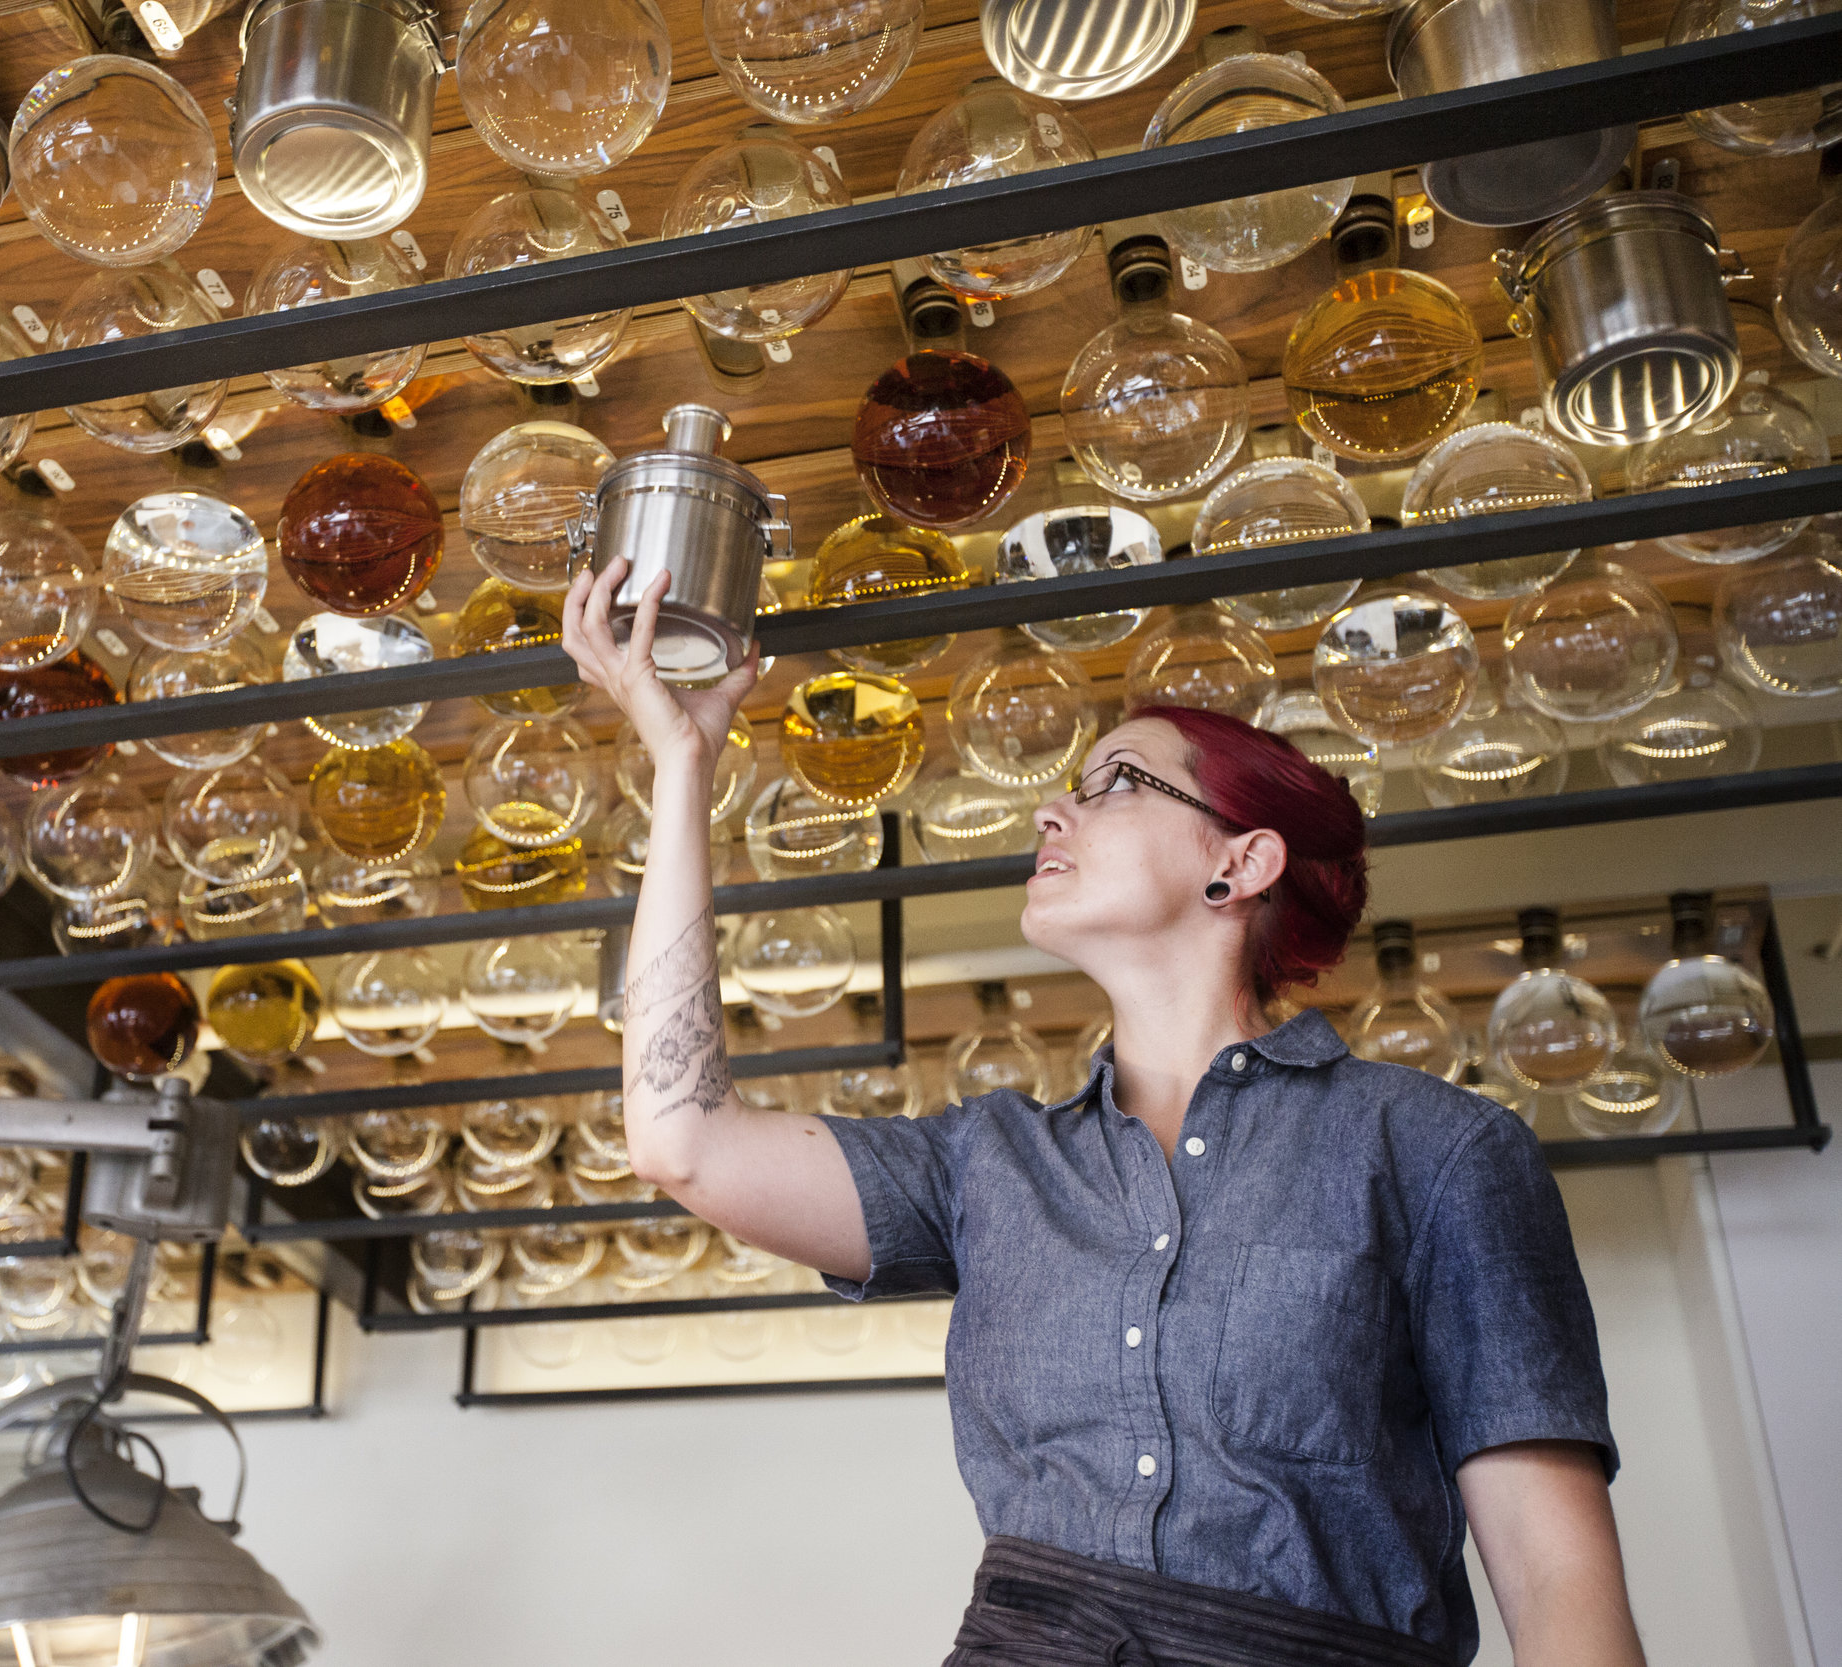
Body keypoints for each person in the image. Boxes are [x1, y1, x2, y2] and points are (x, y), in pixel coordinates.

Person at [560, 558, 1645, 1667]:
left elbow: (1558, 1581)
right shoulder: (988, 1164)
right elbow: (679, 1137)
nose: (1053, 807)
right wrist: (681, 761)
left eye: (1114, 781)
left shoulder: (1436, 1149)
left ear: (1241, 860)